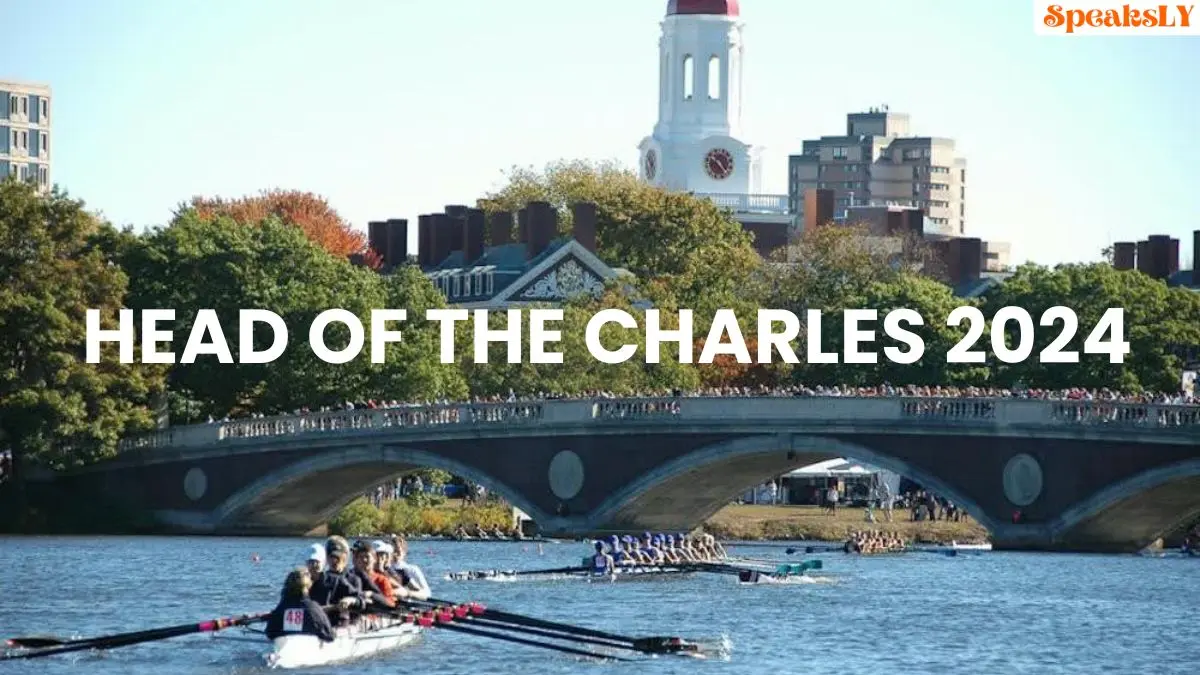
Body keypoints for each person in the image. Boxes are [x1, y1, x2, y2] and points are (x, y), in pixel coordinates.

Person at [265, 568, 336, 642]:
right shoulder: (314, 608)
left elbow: (270, 633)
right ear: (309, 585)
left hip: (286, 646)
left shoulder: (282, 607)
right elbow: (330, 636)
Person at [310, 536, 371, 613]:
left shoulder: (354, 579)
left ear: (345, 557)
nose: (334, 560)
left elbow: (361, 603)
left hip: (345, 621)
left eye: (337, 557)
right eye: (331, 557)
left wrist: (351, 600)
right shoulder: (320, 579)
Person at [349, 540, 396, 609]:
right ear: (356, 559)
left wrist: (372, 595)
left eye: (367, 557)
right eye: (361, 557)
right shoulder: (349, 577)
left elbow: (391, 603)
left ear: (374, 559)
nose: (364, 560)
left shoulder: (382, 580)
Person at [390, 536, 432, 600]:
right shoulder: (384, 569)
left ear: (404, 552)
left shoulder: (413, 569)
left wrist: (407, 593)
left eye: (397, 550)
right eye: (393, 550)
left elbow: (427, 594)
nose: (395, 553)